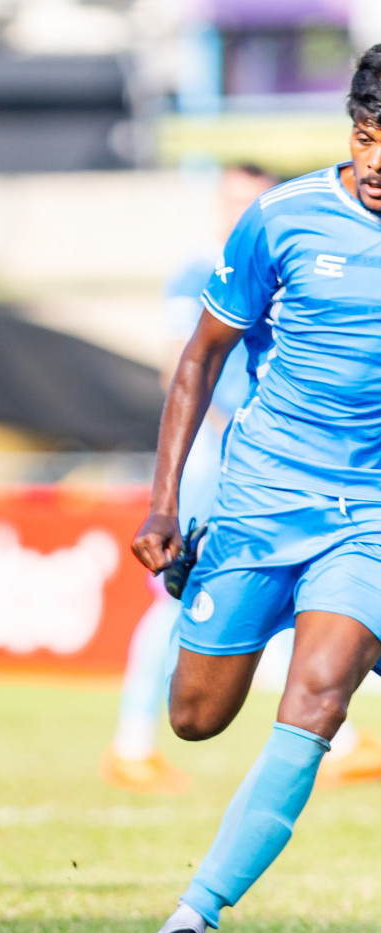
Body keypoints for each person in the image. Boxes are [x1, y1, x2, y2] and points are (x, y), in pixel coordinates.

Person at [136, 45, 381, 933]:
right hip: (258, 499)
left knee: (318, 698)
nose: (380, 164)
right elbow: (200, 358)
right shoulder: (280, 218)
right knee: (197, 718)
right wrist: (165, 507)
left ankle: (189, 923)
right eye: (368, 140)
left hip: (369, 514)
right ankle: (206, 581)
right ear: (354, 133)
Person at [103, 163, 381, 795]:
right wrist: (168, 496)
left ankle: (337, 734)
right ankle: (132, 742)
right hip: (229, 454)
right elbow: (190, 355)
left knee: (312, 597)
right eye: (230, 196)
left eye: (246, 196)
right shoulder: (217, 257)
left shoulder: (321, 239)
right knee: (171, 608)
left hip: (333, 479)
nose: (239, 205)